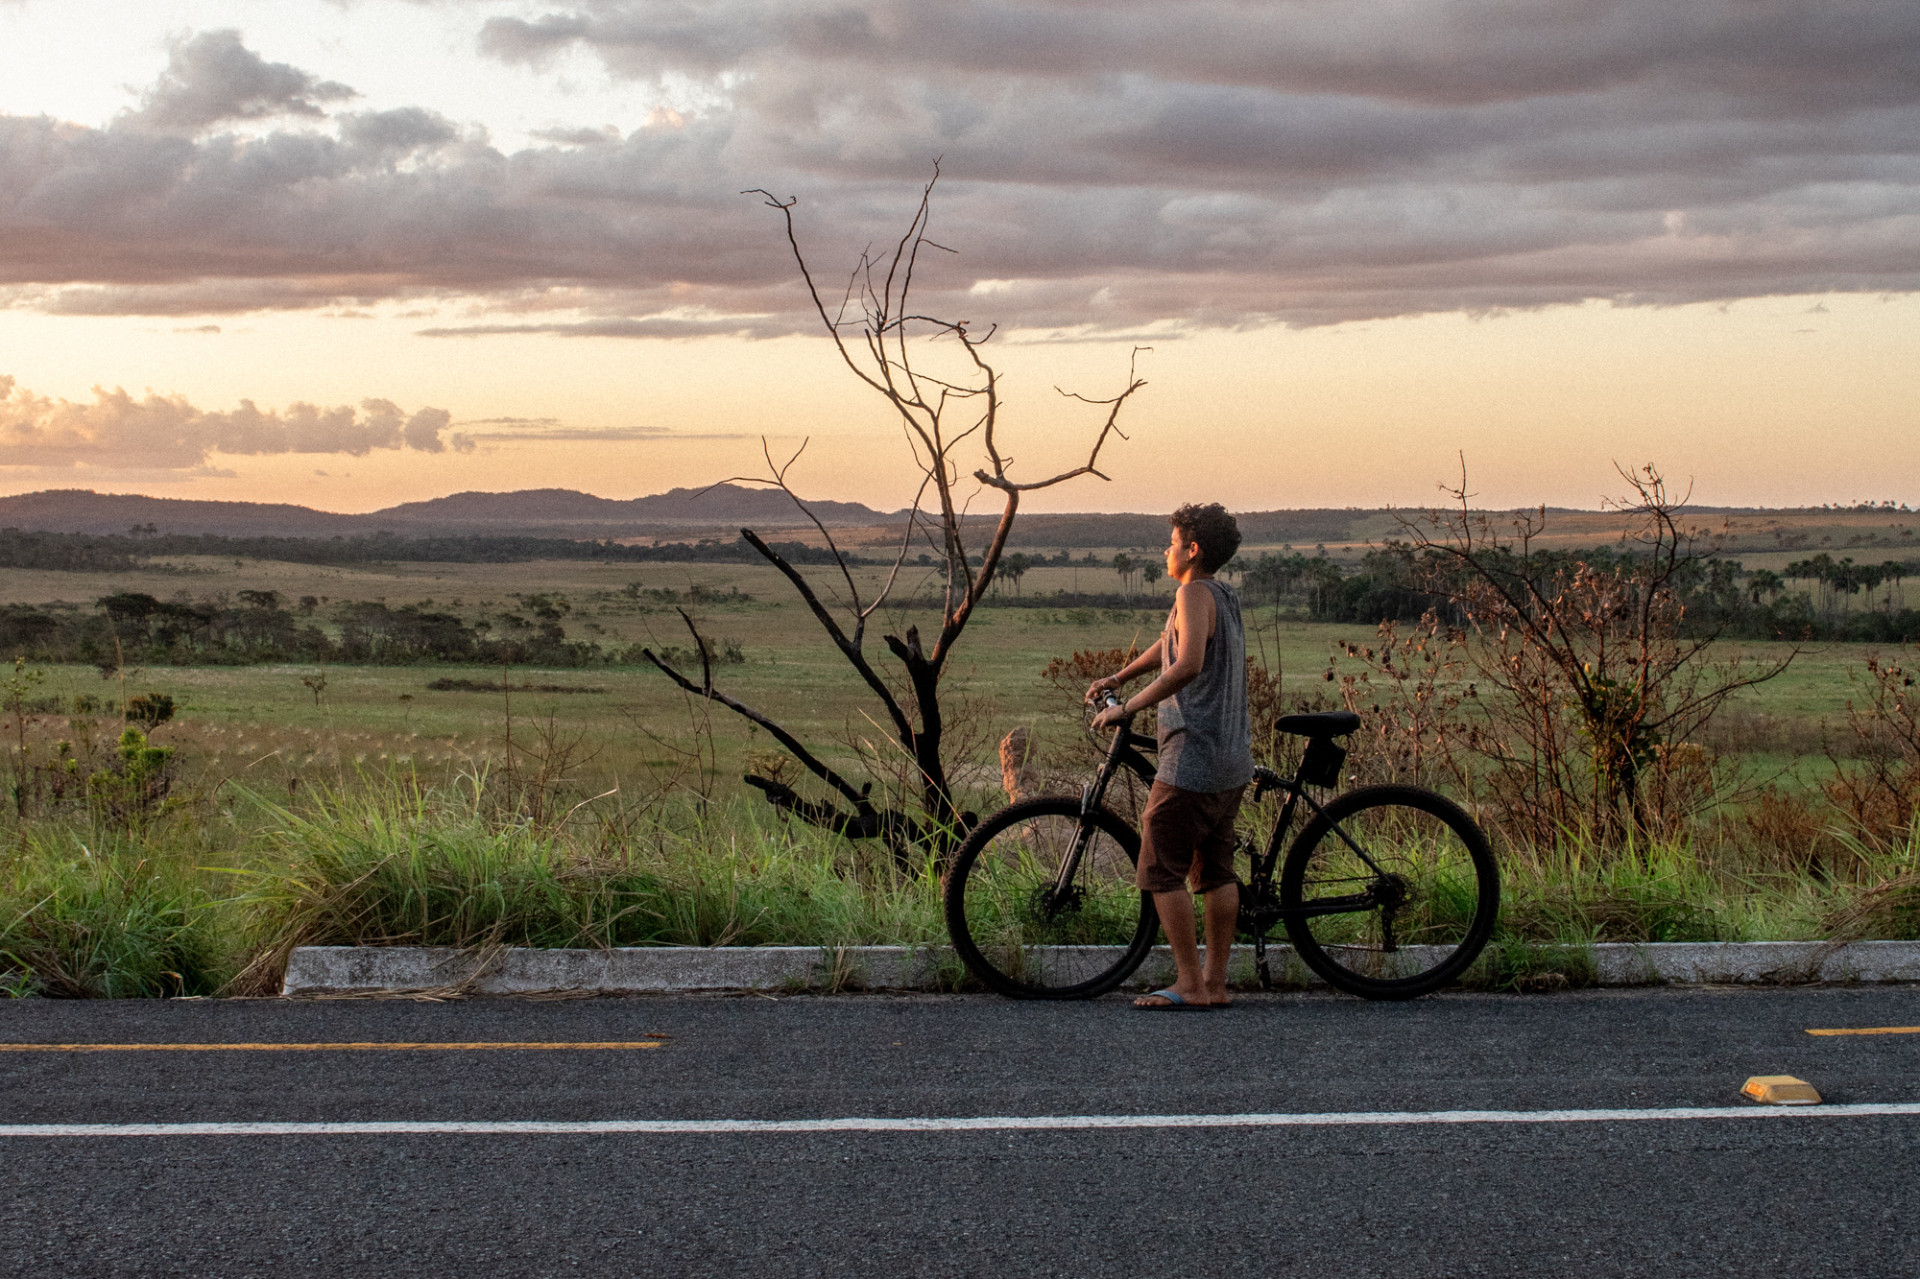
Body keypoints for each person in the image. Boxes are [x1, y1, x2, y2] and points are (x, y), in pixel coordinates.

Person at [1088, 503, 1252, 1010]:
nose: (1167, 549)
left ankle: (1187, 984)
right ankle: (1215, 984)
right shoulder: (1221, 594)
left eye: (1173, 540)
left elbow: (1187, 664)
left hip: (1192, 756)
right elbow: (1168, 646)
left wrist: (1127, 708)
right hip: (1229, 758)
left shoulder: (1191, 591)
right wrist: (1120, 677)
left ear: (1193, 549)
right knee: (1217, 871)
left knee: (1161, 869)